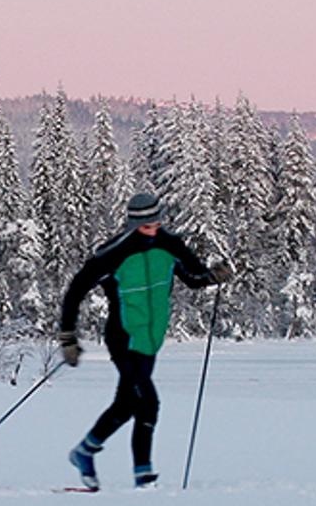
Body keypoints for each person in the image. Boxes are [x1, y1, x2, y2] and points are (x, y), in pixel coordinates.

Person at [55, 191, 223, 490]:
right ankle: (143, 476)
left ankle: (85, 451)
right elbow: (76, 290)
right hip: (123, 337)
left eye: (157, 222)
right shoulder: (114, 252)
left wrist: (214, 276)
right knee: (148, 402)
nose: (154, 228)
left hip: (150, 339)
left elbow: (194, 278)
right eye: (147, 224)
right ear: (133, 224)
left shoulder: (170, 245)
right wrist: (68, 336)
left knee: (127, 403)